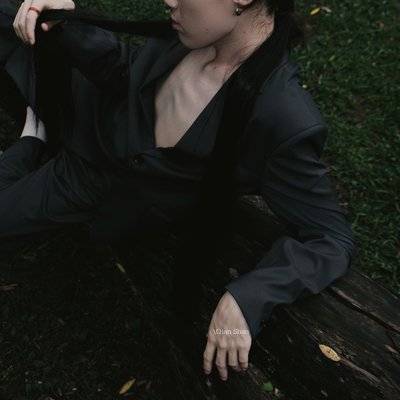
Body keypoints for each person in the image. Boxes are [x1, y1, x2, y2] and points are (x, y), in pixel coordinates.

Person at [0, 0, 357, 382]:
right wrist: (67, 18)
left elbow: (331, 239)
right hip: (88, 108)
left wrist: (250, 295)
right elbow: (129, 70)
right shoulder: (195, 32)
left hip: (86, 178)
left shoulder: (280, 117)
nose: (168, 0)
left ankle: (31, 141)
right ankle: (39, 127)